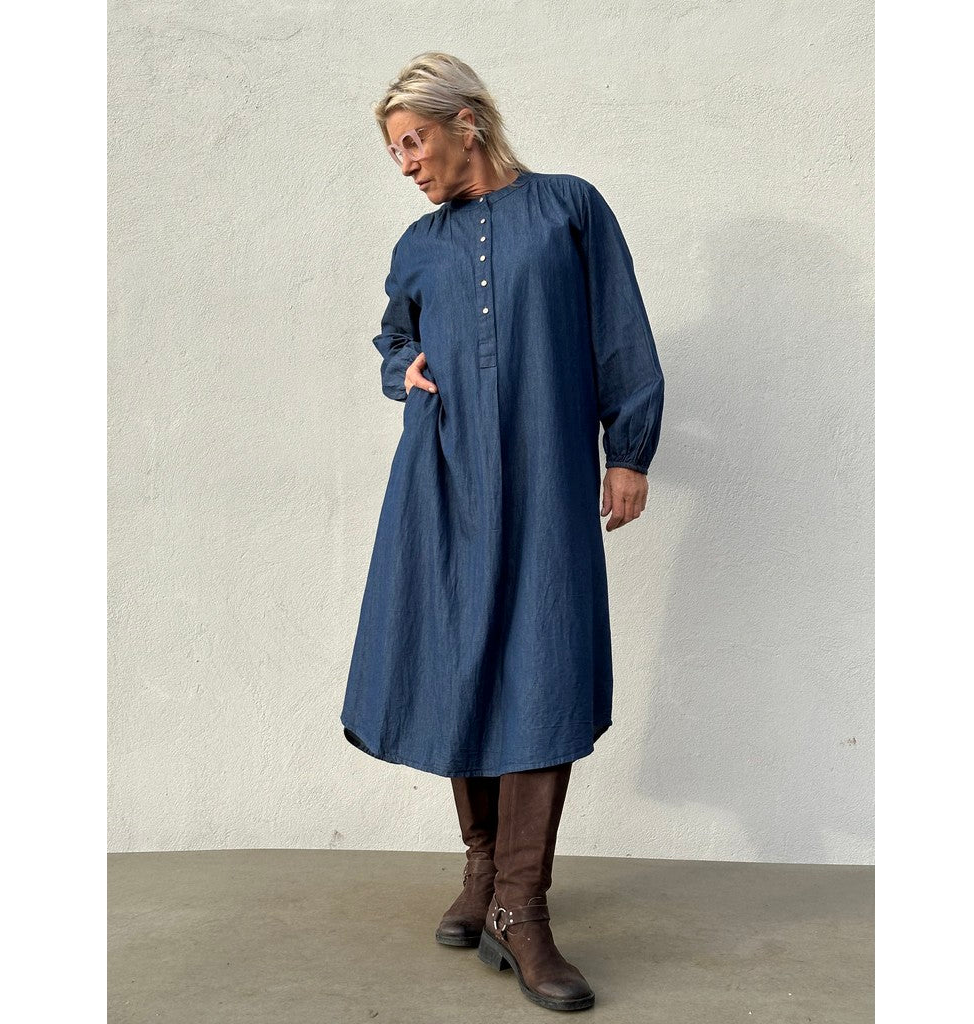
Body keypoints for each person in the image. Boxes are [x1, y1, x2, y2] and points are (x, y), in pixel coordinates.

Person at [340, 52, 665, 1013]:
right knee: (457, 663)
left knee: (542, 667)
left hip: (544, 481)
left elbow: (619, 329)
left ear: (467, 122)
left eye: (413, 141)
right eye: (395, 151)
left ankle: (523, 906)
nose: (406, 163)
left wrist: (628, 449)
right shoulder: (420, 243)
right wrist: (406, 369)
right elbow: (395, 338)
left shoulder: (569, 209)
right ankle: (482, 870)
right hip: (442, 480)